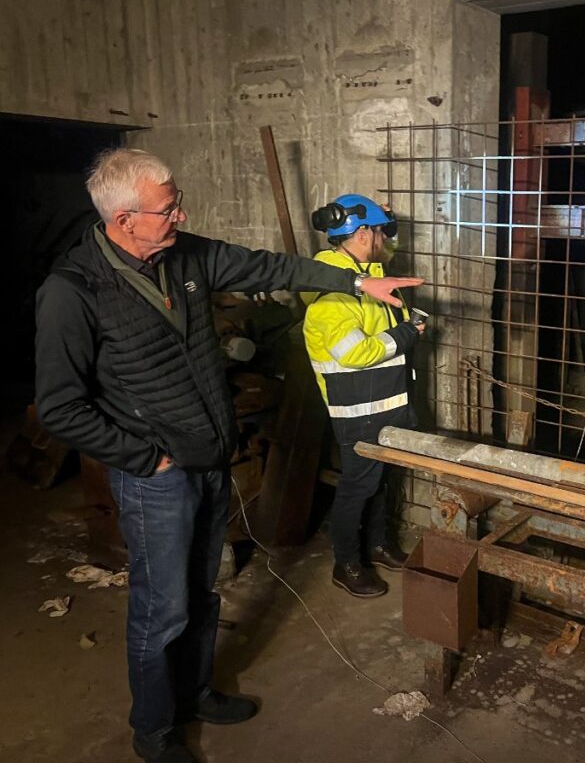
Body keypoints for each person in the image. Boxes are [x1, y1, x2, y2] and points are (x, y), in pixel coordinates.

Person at [33, 149, 422, 763]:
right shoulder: (73, 290)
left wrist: (356, 280)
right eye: (168, 208)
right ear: (124, 218)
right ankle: (156, 731)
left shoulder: (184, 254)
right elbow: (60, 407)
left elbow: (271, 267)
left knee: (204, 593)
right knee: (162, 610)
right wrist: (144, 459)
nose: (181, 214)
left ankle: (197, 691)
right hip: (156, 476)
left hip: (210, 460)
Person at [302, 194, 422, 597]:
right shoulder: (333, 293)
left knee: (380, 482)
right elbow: (354, 353)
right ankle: (347, 564)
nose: (385, 239)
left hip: (386, 404)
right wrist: (407, 334)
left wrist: (388, 219)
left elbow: (384, 251)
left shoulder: (366, 273)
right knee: (357, 488)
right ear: (363, 233)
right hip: (357, 411)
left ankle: (379, 545)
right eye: (378, 231)